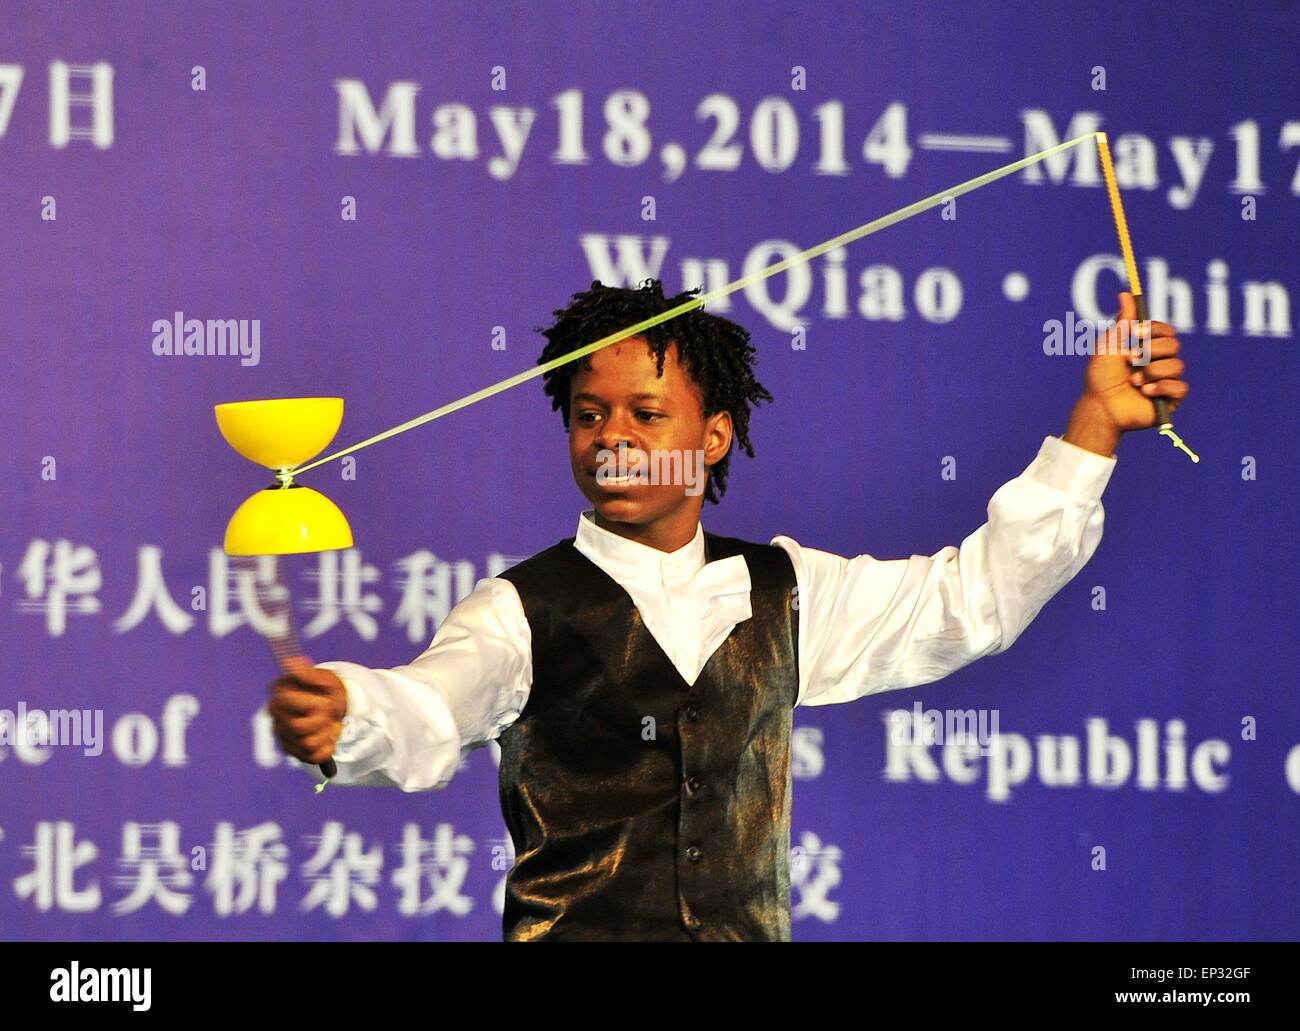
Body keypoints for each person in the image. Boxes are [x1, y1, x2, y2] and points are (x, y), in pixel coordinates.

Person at [268, 279, 1187, 941]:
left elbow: (972, 600)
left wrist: (1093, 427)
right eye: (589, 416)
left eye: (645, 413)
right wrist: (352, 711)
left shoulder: (785, 591)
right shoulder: (522, 609)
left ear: (713, 438)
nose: (614, 438)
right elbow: (433, 703)